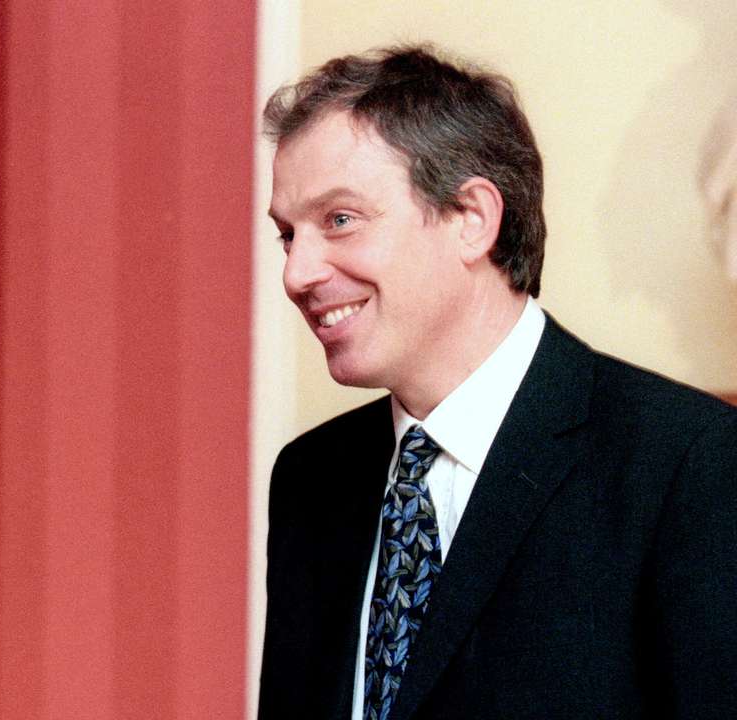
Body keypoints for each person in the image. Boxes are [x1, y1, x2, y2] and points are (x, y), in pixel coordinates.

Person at [258, 45, 737, 719]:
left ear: (472, 219)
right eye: (287, 235)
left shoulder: (691, 464)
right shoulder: (311, 477)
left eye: (339, 220)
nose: (297, 273)